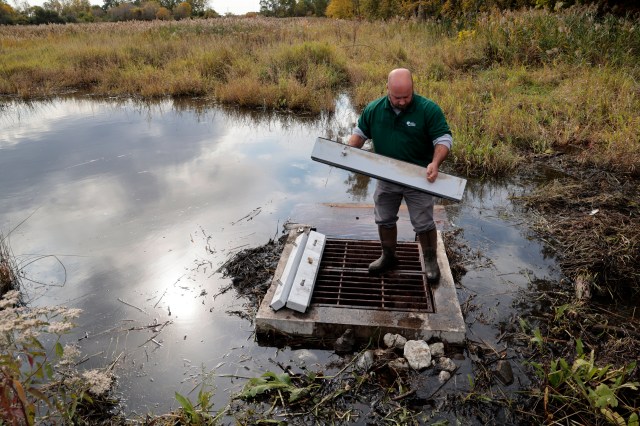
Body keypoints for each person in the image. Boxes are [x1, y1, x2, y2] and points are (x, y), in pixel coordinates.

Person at [347, 68, 452, 283]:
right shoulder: (374, 109)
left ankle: (430, 260)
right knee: (384, 218)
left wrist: (435, 162)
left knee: (423, 223)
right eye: (397, 97)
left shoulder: (428, 109)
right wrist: (348, 151)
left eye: (406, 96)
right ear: (387, 89)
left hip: (419, 177)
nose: (402, 102)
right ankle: (388, 256)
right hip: (387, 174)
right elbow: (360, 133)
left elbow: (443, 139)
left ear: (413, 89)